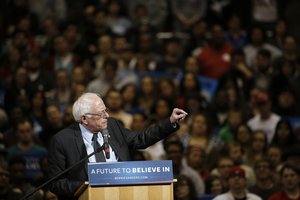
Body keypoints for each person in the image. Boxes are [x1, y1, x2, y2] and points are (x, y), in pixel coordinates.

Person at [48, 92, 188, 199]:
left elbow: (141, 139)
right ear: (84, 119)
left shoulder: (113, 126)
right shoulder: (62, 140)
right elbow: (56, 184)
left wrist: (170, 122)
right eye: (101, 113)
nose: (107, 115)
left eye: (105, 110)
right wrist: (87, 186)